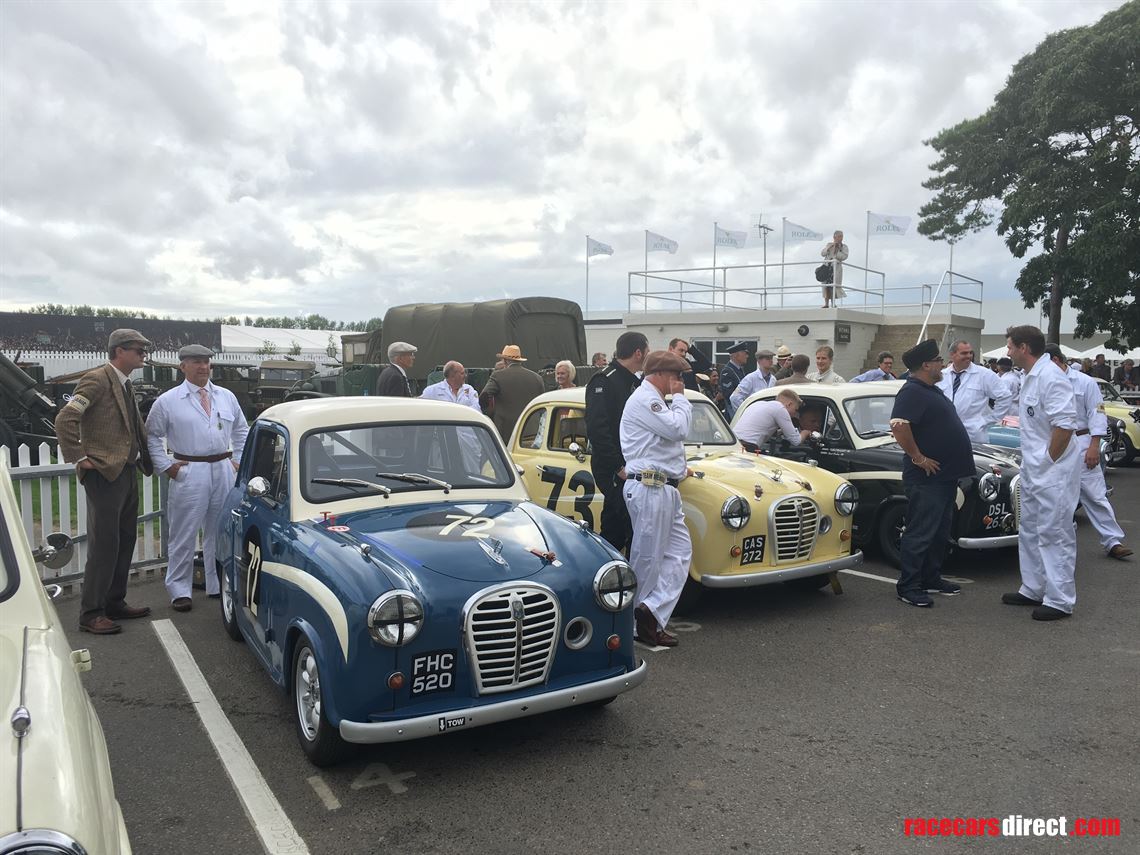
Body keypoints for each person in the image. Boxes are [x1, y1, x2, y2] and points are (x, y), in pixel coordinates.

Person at [54, 329, 155, 635]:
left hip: (126, 471)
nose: (143, 355)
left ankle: (113, 602)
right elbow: (65, 419)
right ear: (119, 351)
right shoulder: (96, 380)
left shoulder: (126, 384)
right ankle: (91, 613)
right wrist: (79, 457)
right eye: (138, 350)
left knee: (124, 540)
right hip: (105, 474)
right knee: (105, 545)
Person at [145, 344, 248, 612]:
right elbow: (152, 436)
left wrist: (237, 462)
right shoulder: (168, 401)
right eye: (196, 362)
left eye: (206, 362)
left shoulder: (226, 397)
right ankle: (179, 589)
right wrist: (166, 467)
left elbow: (241, 430)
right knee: (184, 531)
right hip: (190, 470)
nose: (203, 367)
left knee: (220, 529)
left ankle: (215, 584)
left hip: (223, 468)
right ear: (183, 366)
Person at [1002, 325, 1080, 621]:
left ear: (1023, 348)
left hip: (1053, 471)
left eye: (1010, 346)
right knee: (1030, 529)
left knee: (1054, 532)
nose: (1008, 351)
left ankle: (1059, 600)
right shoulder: (1030, 376)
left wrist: (1047, 462)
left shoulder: (1051, 377)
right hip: (1033, 469)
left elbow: (1065, 426)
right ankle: (1033, 588)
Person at [888, 339, 973, 608]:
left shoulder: (930, 390)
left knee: (939, 531)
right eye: (938, 361)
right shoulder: (912, 391)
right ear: (926, 365)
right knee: (921, 531)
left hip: (944, 476)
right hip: (926, 479)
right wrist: (918, 457)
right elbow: (899, 426)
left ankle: (930, 577)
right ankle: (909, 585)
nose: (942, 364)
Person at [620, 350, 693, 647]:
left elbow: (662, 444)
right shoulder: (645, 399)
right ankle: (630, 623)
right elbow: (678, 429)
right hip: (650, 487)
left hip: (664, 487)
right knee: (647, 559)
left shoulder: (656, 401)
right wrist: (682, 399)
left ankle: (649, 610)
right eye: (676, 376)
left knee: (680, 553)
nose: (679, 382)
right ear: (660, 374)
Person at [1045, 344, 1131, 560]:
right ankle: (1054, 542)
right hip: (1053, 441)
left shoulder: (1084, 382)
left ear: (1055, 360)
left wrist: (1094, 445)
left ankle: (1112, 541)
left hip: (1081, 439)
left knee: (1094, 495)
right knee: (1053, 494)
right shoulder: (1043, 382)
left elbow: (1097, 414)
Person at [585, 332, 647, 553]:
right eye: (647, 351)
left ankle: (608, 563)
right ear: (638, 353)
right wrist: (617, 466)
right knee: (623, 524)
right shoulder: (604, 380)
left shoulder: (635, 382)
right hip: (614, 467)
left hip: (632, 464)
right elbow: (598, 429)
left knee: (618, 527)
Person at [935, 339, 1012, 444]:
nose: (969, 356)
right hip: (945, 432)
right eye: (964, 353)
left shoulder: (984, 374)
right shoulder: (942, 375)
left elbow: (1005, 396)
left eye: (970, 353)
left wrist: (990, 419)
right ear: (952, 355)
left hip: (973, 434)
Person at [479, 345, 545, 442]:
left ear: (505, 361)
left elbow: (483, 397)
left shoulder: (498, 376)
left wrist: (490, 414)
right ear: (519, 360)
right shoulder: (537, 378)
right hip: (531, 432)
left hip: (506, 431)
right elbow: (542, 404)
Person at [735, 388, 810, 451]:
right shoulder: (780, 409)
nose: (795, 414)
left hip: (734, 442)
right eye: (795, 410)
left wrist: (782, 431)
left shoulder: (757, 404)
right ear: (789, 404)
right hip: (748, 447)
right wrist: (806, 432)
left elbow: (763, 430)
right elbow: (796, 441)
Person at [719, 342, 752, 419]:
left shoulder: (739, 369)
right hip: (734, 412)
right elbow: (729, 395)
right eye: (744, 353)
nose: (747, 356)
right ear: (736, 355)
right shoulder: (727, 371)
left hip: (741, 408)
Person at [819, 230, 849, 308]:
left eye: (841, 236)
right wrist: (829, 248)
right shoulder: (829, 244)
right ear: (834, 237)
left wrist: (837, 250)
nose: (841, 238)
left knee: (833, 286)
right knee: (826, 285)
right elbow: (822, 253)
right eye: (839, 236)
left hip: (836, 269)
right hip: (827, 268)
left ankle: (833, 303)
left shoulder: (844, 247)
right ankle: (826, 304)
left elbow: (844, 257)